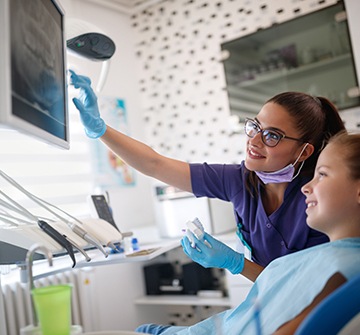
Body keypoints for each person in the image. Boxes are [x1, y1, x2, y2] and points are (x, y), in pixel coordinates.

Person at [70, 70, 345, 277]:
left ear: (305, 152)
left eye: (272, 135)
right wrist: (101, 130)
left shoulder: (318, 197)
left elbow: (305, 288)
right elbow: (156, 165)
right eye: (255, 126)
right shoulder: (241, 180)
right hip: (273, 304)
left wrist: (236, 264)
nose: (254, 141)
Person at [135, 131, 360, 334]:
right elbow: (287, 291)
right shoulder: (334, 258)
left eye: (323, 174)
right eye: (254, 127)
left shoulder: (344, 272)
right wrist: (236, 263)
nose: (306, 188)